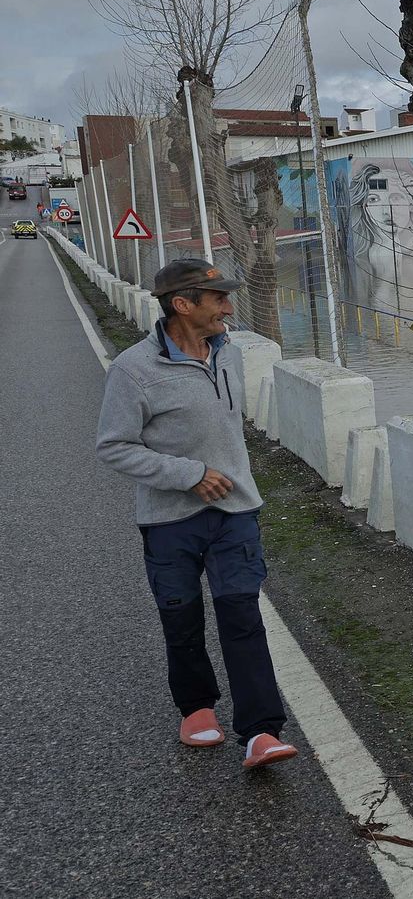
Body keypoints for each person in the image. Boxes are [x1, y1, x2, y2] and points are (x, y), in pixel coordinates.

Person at [95, 259, 298, 770]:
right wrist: (188, 473)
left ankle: (260, 732)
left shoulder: (227, 354)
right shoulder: (132, 371)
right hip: (168, 519)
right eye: (218, 300)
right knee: (181, 617)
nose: (228, 308)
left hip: (236, 511)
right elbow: (114, 447)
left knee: (241, 612)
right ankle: (198, 708)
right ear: (182, 305)